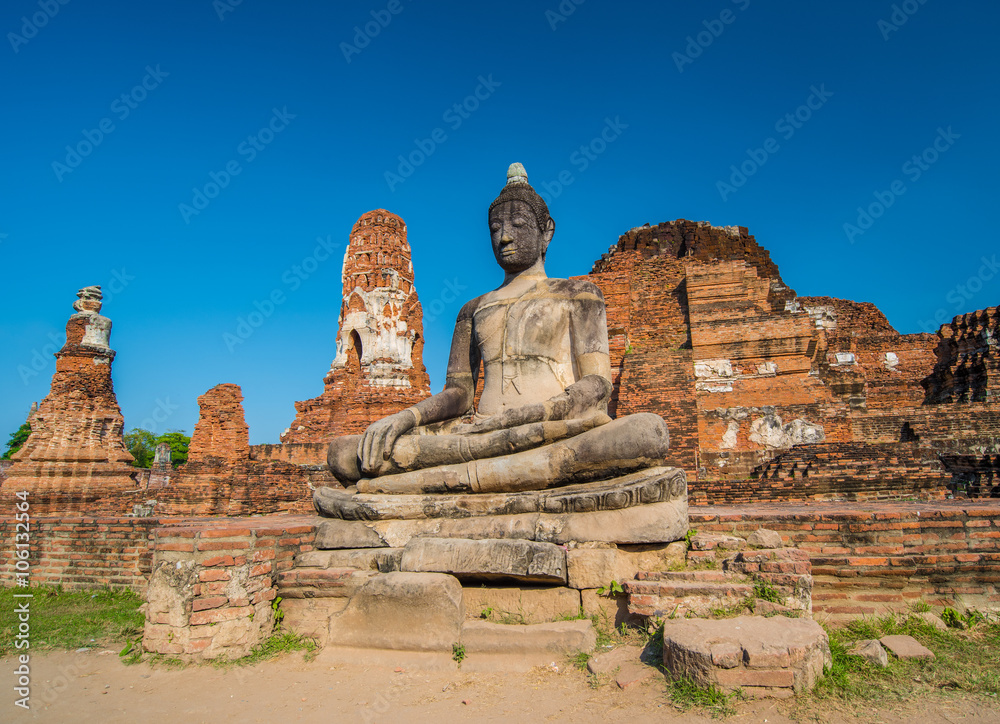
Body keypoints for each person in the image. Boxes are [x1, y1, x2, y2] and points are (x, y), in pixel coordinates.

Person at [320, 163, 668, 503]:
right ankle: (513, 478)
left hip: (552, 431)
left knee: (645, 433)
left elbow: (598, 383)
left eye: (518, 225)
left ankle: (437, 486)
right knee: (346, 453)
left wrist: (543, 412)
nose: (504, 237)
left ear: (547, 231)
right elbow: (459, 393)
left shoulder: (577, 294)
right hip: (480, 435)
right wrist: (405, 417)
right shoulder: (473, 309)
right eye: (495, 228)